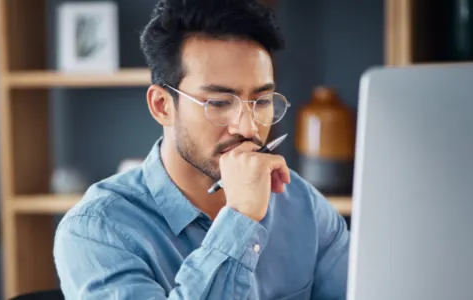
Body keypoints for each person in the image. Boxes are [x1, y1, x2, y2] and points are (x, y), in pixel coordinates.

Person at [52, 0, 350, 299]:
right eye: (219, 103)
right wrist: (240, 218)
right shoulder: (96, 231)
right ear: (162, 106)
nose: (247, 129)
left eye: (261, 102)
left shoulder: (302, 205)